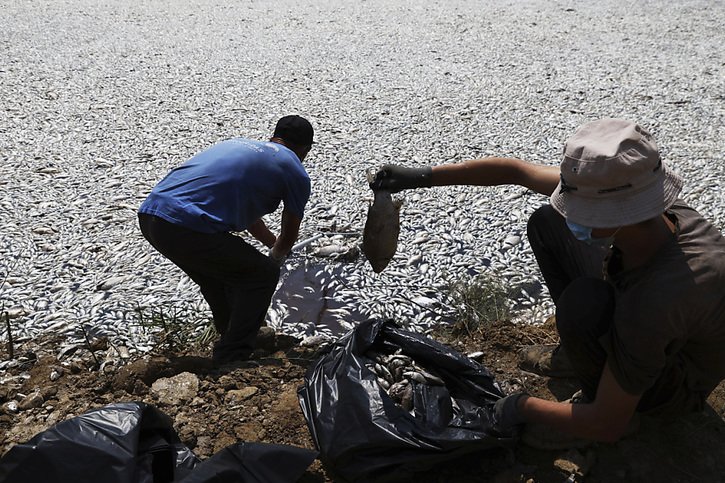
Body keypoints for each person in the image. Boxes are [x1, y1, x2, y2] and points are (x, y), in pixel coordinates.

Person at [370, 118, 725, 444]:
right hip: (654, 327)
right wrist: (420, 176)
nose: (574, 214)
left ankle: (617, 403)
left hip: (671, 387)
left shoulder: (656, 302)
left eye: (581, 210)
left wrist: (521, 406)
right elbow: (515, 171)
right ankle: (588, 359)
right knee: (549, 221)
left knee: (582, 304)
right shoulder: (651, 210)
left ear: (615, 213)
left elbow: (606, 424)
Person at [138, 115, 313, 366]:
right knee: (260, 276)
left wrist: (269, 244)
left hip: (151, 217)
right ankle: (233, 357)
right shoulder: (295, 170)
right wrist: (275, 258)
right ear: (306, 149)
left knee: (217, 278)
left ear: (274, 137)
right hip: (187, 227)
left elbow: (252, 220)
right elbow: (290, 233)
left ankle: (230, 335)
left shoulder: (239, 145)